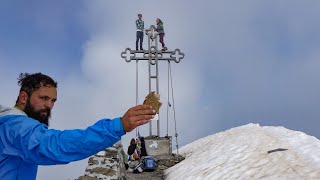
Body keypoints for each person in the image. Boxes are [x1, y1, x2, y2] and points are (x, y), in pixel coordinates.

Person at [0, 72, 156, 180]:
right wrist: (118, 126)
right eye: (43, 98)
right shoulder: (15, 127)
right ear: (23, 97)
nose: (49, 105)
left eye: (53, 101)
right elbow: (56, 145)